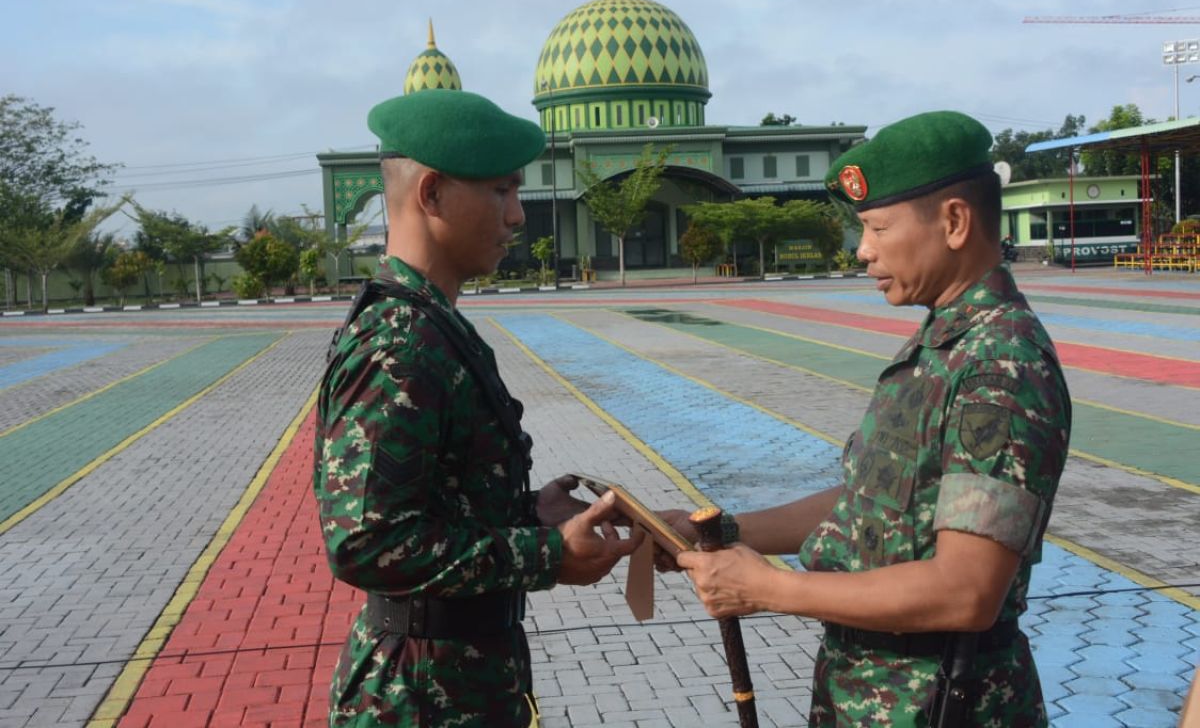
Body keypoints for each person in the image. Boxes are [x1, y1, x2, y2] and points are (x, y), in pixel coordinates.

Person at [668, 111, 1072, 727]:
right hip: (876, 699)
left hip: (942, 705)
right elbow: (871, 505)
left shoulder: (1001, 365)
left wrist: (769, 589)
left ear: (955, 222)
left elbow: (966, 590)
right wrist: (725, 534)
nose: (863, 250)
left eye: (879, 227)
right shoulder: (944, 344)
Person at [314, 88, 641, 728]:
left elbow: (433, 503)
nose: (518, 216)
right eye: (500, 191)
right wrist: (544, 555)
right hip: (416, 696)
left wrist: (527, 514)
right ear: (431, 194)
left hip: (462, 674)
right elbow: (366, 542)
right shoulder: (402, 344)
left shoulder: (434, 325)